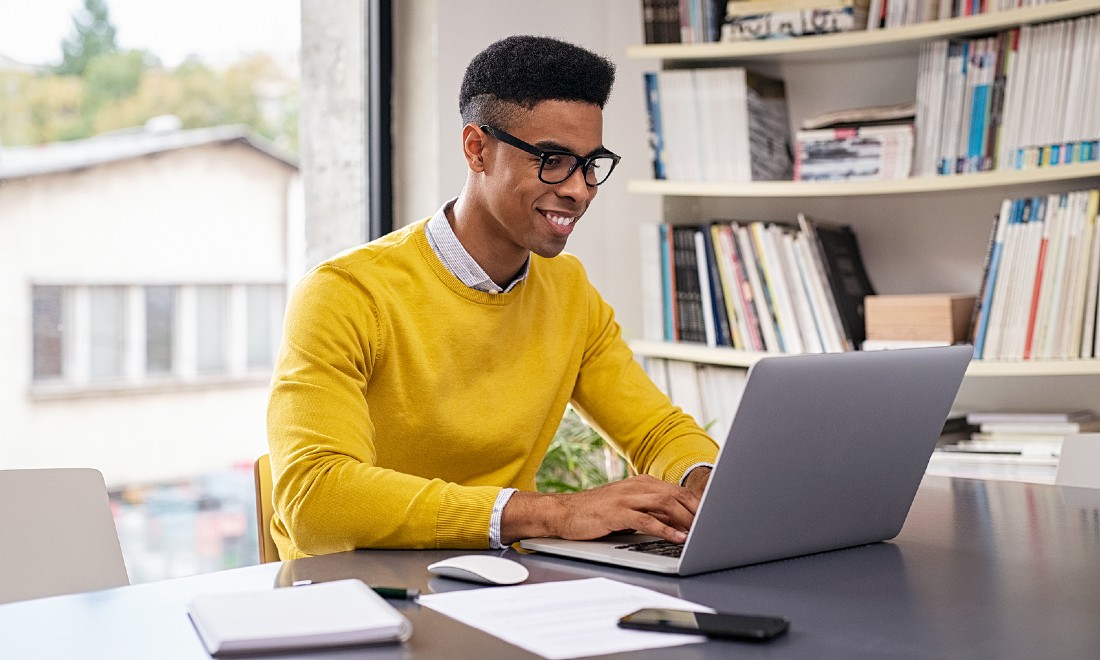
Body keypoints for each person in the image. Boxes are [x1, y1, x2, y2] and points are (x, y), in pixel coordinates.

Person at [266, 35, 718, 560]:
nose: (579, 190)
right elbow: (315, 499)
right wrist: (553, 513)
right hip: (353, 595)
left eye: (592, 164)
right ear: (477, 149)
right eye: (552, 160)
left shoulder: (569, 291)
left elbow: (655, 429)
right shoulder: (344, 295)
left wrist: (703, 481)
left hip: (495, 584)